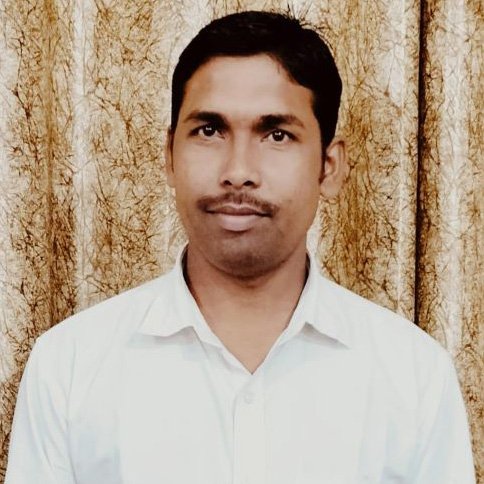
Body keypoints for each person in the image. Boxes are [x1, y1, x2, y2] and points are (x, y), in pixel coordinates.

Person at [5, 11, 475, 484]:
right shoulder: (69, 367)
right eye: (209, 130)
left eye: (277, 135)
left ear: (329, 167)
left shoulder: (414, 377)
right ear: (169, 156)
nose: (238, 172)